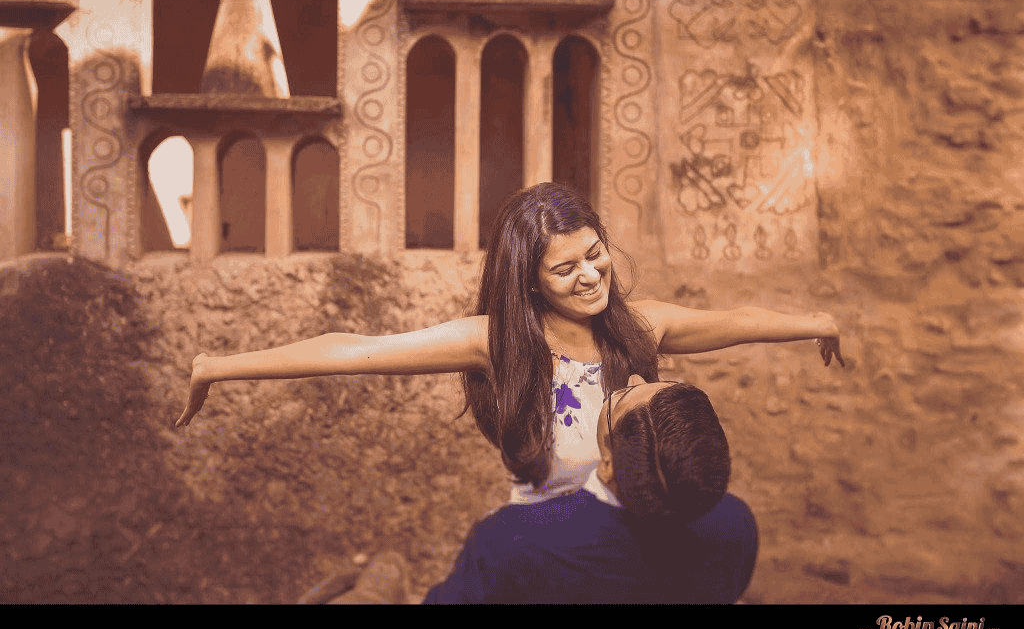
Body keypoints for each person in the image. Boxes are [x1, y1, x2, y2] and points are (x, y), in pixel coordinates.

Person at [176, 183, 844, 508]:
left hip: (639, 544)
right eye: (565, 268)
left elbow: (732, 321)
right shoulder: (494, 343)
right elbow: (352, 349)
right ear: (528, 280)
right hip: (544, 548)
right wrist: (219, 367)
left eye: (596, 254)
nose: (590, 275)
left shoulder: (640, 328)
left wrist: (816, 321)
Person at [315, 377, 755, 604]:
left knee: (375, 580)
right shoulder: (735, 528)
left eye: (622, 395)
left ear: (608, 460)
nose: (636, 375)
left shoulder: (512, 541)